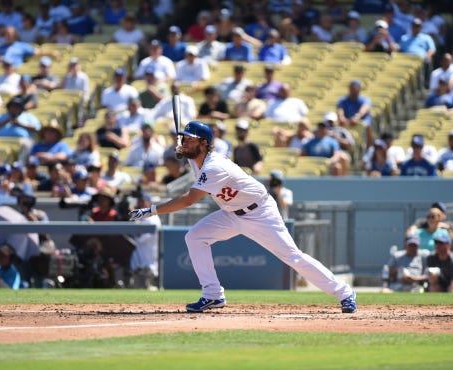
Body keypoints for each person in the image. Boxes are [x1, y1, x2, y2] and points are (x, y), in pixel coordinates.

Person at [127, 121, 357, 313]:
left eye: (189, 139)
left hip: (260, 212)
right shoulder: (195, 158)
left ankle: (344, 292)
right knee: (195, 237)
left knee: (293, 257)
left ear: (203, 143)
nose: (184, 142)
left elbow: (188, 199)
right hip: (230, 212)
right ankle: (213, 295)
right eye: (184, 138)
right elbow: (183, 153)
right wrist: (180, 145)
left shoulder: (214, 166)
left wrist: (151, 210)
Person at [0, 96, 41, 162]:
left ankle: (20, 165)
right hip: (2, 141)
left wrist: (20, 124)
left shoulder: (28, 116)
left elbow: (37, 130)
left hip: (22, 141)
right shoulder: (2, 117)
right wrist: (6, 121)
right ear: (9, 107)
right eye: (12, 106)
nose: (14, 108)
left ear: (21, 108)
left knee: (27, 144)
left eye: (17, 106)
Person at [129, 192, 161, 289]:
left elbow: (139, 237)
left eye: (143, 202)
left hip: (149, 266)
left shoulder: (152, 219)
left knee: (147, 290)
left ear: (150, 204)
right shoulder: (142, 218)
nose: (140, 204)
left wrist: (134, 218)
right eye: (139, 202)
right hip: (140, 264)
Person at [336, 80, 373, 148]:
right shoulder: (343, 100)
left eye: (355, 88)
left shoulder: (364, 99)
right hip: (347, 122)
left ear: (359, 89)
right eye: (351, 88)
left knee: (368, 128)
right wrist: (341, 117)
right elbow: (340, 110)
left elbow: (364, 109)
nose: (353, 90)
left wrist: (357, 117)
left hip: (361, 122)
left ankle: (368, 149)